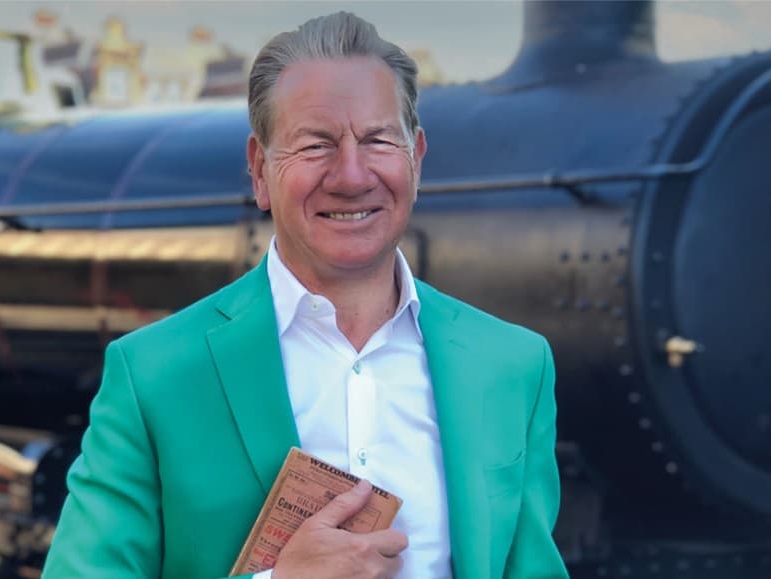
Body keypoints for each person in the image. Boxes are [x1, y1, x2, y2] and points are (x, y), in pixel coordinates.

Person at [42, 12, 567, 579]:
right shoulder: (153, 376)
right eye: (315, 145)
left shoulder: (514, 366)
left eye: (377, 139)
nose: (350, 174)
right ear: (259, 171)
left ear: (416, 158)